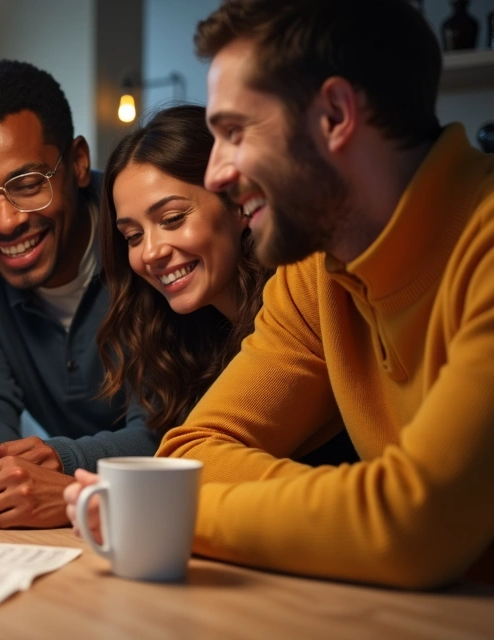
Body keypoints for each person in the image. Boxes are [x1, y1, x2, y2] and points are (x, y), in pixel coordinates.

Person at [68, 0, 494, 588]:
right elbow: (193, 449)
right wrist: (363, 512)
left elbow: (416, 524)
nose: (216, 174)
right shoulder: (314, 272)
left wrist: (159, 514)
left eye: (235, 132)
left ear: (335, 116)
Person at [0, 60, 157, 529]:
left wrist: (61, 462)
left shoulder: (148, 248)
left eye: (27, 185)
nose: (4, 222)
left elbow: (169, 434)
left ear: (75, 163)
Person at [97, 104, 356, 466]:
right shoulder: (185, 335)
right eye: (133, 235)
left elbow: (193, 466)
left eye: (172, 219)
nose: (150, 252)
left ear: (240, 203)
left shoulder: (310, 296)